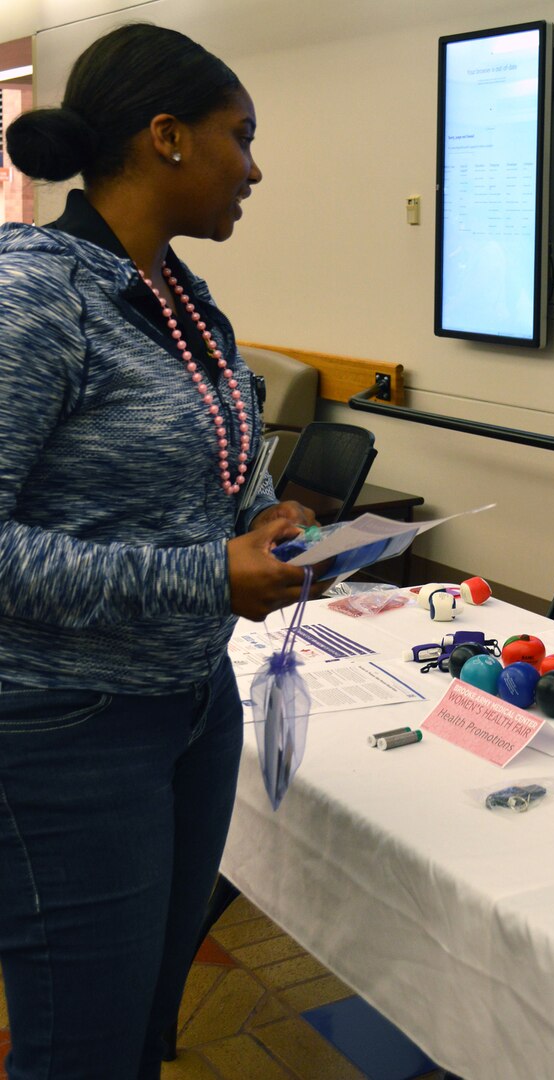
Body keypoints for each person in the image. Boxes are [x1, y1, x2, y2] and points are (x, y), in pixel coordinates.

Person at [0, 23, 325, 1079]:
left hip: (189, 704)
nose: (255, 167)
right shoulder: (33, 295)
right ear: (167, 137)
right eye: (243, 136)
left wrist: (265, 524)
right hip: (63, 729)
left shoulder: (184, 299)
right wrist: (206, 573)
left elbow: (224, 464)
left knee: (144, 1023)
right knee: (81, 1045)